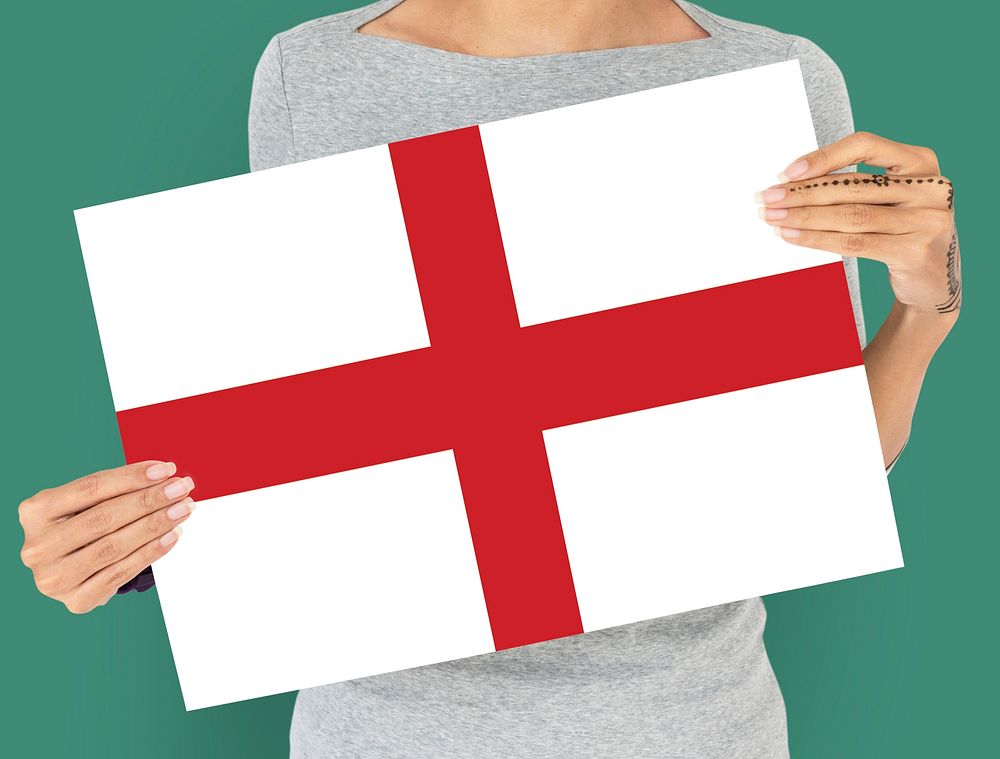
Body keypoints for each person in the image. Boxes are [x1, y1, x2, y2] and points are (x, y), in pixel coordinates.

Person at [18, 1, 961, 756]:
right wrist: (130, 545)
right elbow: (318, 433)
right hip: (380, 734)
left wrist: (927, 302)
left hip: (690, 727)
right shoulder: (311, 73)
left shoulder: (783, 77)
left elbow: (808, 465)